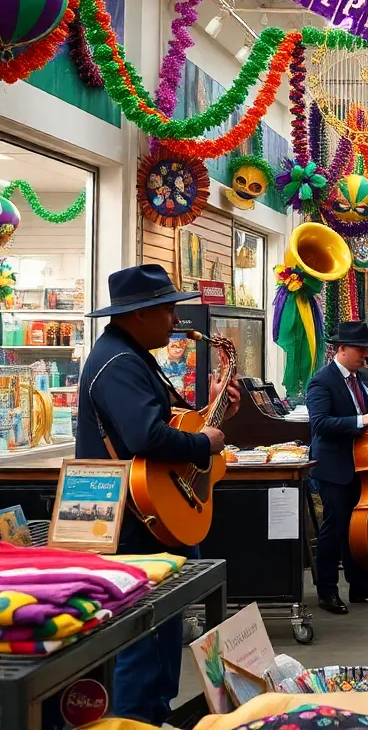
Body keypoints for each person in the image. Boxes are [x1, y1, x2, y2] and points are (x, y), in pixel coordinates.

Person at [77, 264, 242, 724]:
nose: (175, 320)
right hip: (135, 522)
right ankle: (136, 720)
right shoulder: (118, 363)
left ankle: (153, 714)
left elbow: (159, 422)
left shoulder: (128, 355)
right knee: (140, 639)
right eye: (167, 310)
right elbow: (145, 436)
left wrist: (211, 410)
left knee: (161, 630)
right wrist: (202, 442)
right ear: (139, 314)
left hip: (148, 514)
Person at [305, 321, 368, 615]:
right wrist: (364, 419)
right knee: (334, 530)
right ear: (342, 349)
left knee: (359, 530)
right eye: (360, 349)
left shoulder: (364, 379)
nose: (364, 354)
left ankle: (360, 585)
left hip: (365, 467)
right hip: (336, 468)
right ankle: (327, 591)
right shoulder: (322, 381)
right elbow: (320, 424)